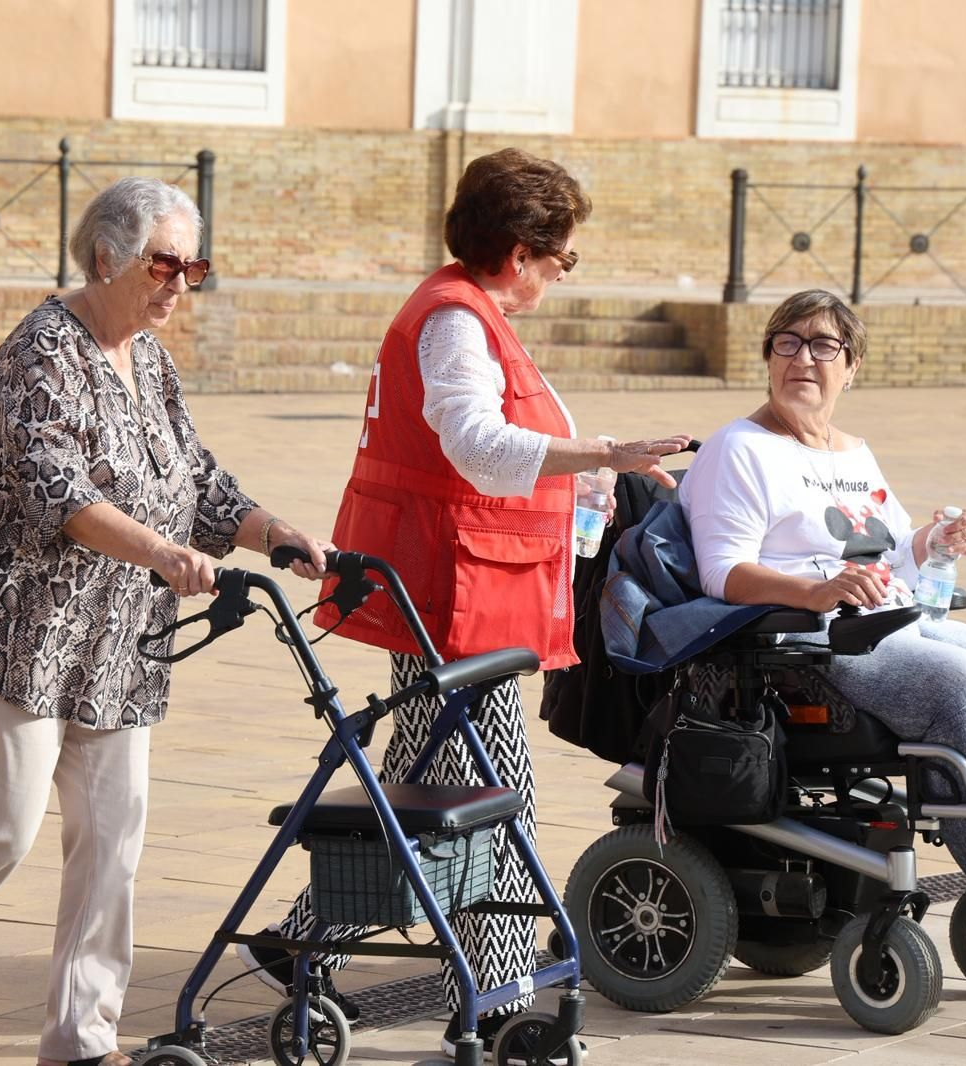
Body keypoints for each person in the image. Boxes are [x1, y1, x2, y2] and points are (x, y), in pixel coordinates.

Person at [0, 177, 332, 1066]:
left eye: (191, 269)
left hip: (113, 637)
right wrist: (164, 555)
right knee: (0, 829)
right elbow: (64, 495)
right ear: (106, 257)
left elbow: (196, 481)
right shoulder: (40, 353)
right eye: (164, 265)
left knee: (112, 838)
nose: (177, 285)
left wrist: (273, 533)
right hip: (5, 623)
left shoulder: (150, 359)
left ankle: (81, 1041)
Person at [237, 147, 691, 1057]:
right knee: (494, 788)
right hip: (453, 588)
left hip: (456, 580)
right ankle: (495, 980)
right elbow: (481, 447)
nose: (562, 277)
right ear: (519, 249)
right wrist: (601, 454)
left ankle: (306, 934)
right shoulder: (454, 319)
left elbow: (501, 442)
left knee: (422, 772)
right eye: (563, 260)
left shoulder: (466, 309)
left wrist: (593, 479)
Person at [678, 288, 966, 927]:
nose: (802, 359)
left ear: (852, 366)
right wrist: (815, 591)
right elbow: (722, 572)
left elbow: (890, 551)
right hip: (813, 642)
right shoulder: (739, 449)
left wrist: (939, 539)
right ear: (767, 357)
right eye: (786, 343)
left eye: (823, 346)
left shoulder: (850, 451)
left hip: (896, 622)